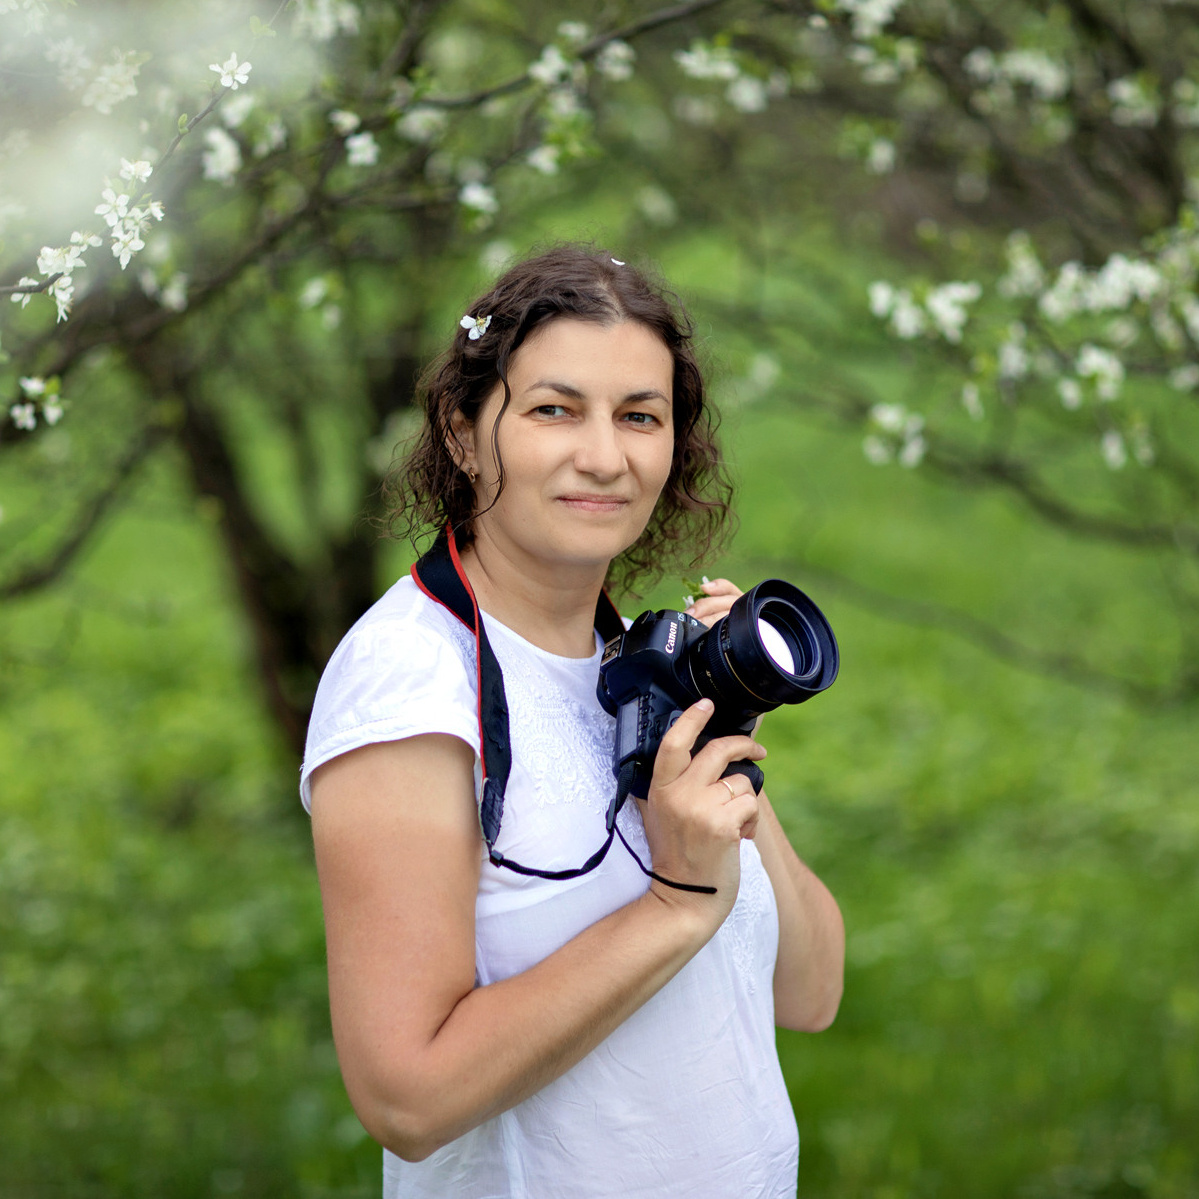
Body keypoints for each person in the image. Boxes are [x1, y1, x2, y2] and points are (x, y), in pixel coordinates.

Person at [300, 245, 845, 1199]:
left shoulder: (636, 662)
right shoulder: (409, 686)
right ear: (465, 431)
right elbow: (407, 1100)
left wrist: (725, 739)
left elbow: (809, 991)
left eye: (640, 416)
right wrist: (673, 901)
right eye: (555, 409)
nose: (605, 455)